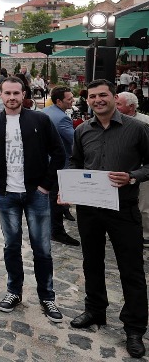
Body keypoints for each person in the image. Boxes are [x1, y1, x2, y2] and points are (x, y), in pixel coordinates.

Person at [67, 80, 149, 358]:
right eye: (93, 97)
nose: (98, 100)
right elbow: (75, 162)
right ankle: (95, 310)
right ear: (87, 100)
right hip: (89, 208)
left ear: (114, 97)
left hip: (123, 208)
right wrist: (68, 187)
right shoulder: (82, 130)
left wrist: (133, 176)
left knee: (131, 269)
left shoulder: (136, 128)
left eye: (103, 95)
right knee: (92, 261)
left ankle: (135, 328)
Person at [0, 76, 66, 322]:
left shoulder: (40, 119)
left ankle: (47, 296)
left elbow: (59, 153)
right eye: (7, 93)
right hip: (6, 194)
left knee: (42, 248)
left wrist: (45, 185)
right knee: (11, 246)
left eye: (16, 93)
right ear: (0, 93)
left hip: (35, 194)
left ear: (24, 93)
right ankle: (14, 291)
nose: (11, 97)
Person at [41, 86, 80, 247]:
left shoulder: (45, 111)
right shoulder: (62, 118)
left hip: (45, 161)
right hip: (59, 164)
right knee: (56, 198)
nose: (73, 101)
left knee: (51, 198)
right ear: (59, 101)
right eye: (70, 99)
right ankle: (56, 231)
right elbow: (75, 142)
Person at [114, 92, 149, 247]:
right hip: (119, 172)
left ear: (131, 107)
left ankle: (145, 234)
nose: (115, 107)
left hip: (141, 173)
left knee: (144, 205)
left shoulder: (145, 122)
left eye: (119, 104)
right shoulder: (113, 121)